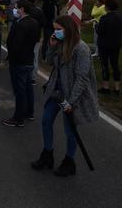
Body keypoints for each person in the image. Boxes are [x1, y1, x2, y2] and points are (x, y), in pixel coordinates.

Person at [31, 15, 99, 177]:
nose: (56, 32)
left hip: (72, 95)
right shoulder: (60, 43)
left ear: (68, 29)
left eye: (58, 29)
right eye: (54, 29)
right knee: (46, 120)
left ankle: (69, 161)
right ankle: (47, 154)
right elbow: (48, 61)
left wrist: (71, 101)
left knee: (70, 131)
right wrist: (52, 46)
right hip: (56, 92)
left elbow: (82, 78)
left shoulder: (81, 49)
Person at [3, 0, 41, 127]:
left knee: (20, 90)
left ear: (22, 9)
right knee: (28, 87)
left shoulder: (20, 25)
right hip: (29, 58)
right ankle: (29, 112)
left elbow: (16, 45)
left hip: (18, 61)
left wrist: (11, 57)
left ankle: (18, 118)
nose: (15, 10)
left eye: (16, 8)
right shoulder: (34, 22)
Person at [96, 0, 122, 95]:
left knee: (105, 65)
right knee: (115, 65)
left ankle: (106, 86)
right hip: (116, 44)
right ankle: (117, 88)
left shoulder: (104, 18)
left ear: (107, 7)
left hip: (104, 45)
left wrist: (97, 26)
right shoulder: (120, 18)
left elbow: (99, 31)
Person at [24, 0, 46, 83]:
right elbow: (43, 23)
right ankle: (33, 77)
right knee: (34, 57)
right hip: (36, 37)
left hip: (25, 37)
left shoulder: (25, 10)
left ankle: (26, 76)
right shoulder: (39, 10)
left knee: (25, 56)